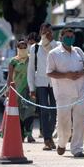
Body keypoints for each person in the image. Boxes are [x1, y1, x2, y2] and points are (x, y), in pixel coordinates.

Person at [46, 28, 84, 158]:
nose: (70, 38)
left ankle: (77, 148)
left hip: (81, 91)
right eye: (67, 36)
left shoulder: (78, 51)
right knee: (63, 121)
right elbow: (49, 72)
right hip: (63, 94)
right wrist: (66, 75)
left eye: (72, 36)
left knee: (80, 120)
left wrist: (82, 72)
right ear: (61, 38)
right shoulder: (53, 54)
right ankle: (62, 143)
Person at [28, 23, 59, 151]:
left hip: (55, 83)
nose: (46, 34)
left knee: (54, 111)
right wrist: (31, 87)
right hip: (40, 83)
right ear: (40, 32)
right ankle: (47, 139)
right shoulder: (35, 48)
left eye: (48, 31)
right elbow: (30, 69)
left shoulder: (57, 46)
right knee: (44, 111)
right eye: (43, 31)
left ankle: (49, 136)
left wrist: (51, 42)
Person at [7, 39, 37, 143]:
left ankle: (29, 134)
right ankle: (21, 134)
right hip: (17, 90)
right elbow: (10, 77)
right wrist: (8, 89)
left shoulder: (31, 59)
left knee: (30, 110)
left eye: (25, 47)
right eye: (20, 47)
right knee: (19, 112)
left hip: (30, 89)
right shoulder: (13, 61)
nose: (23, 49)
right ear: (17, 48)